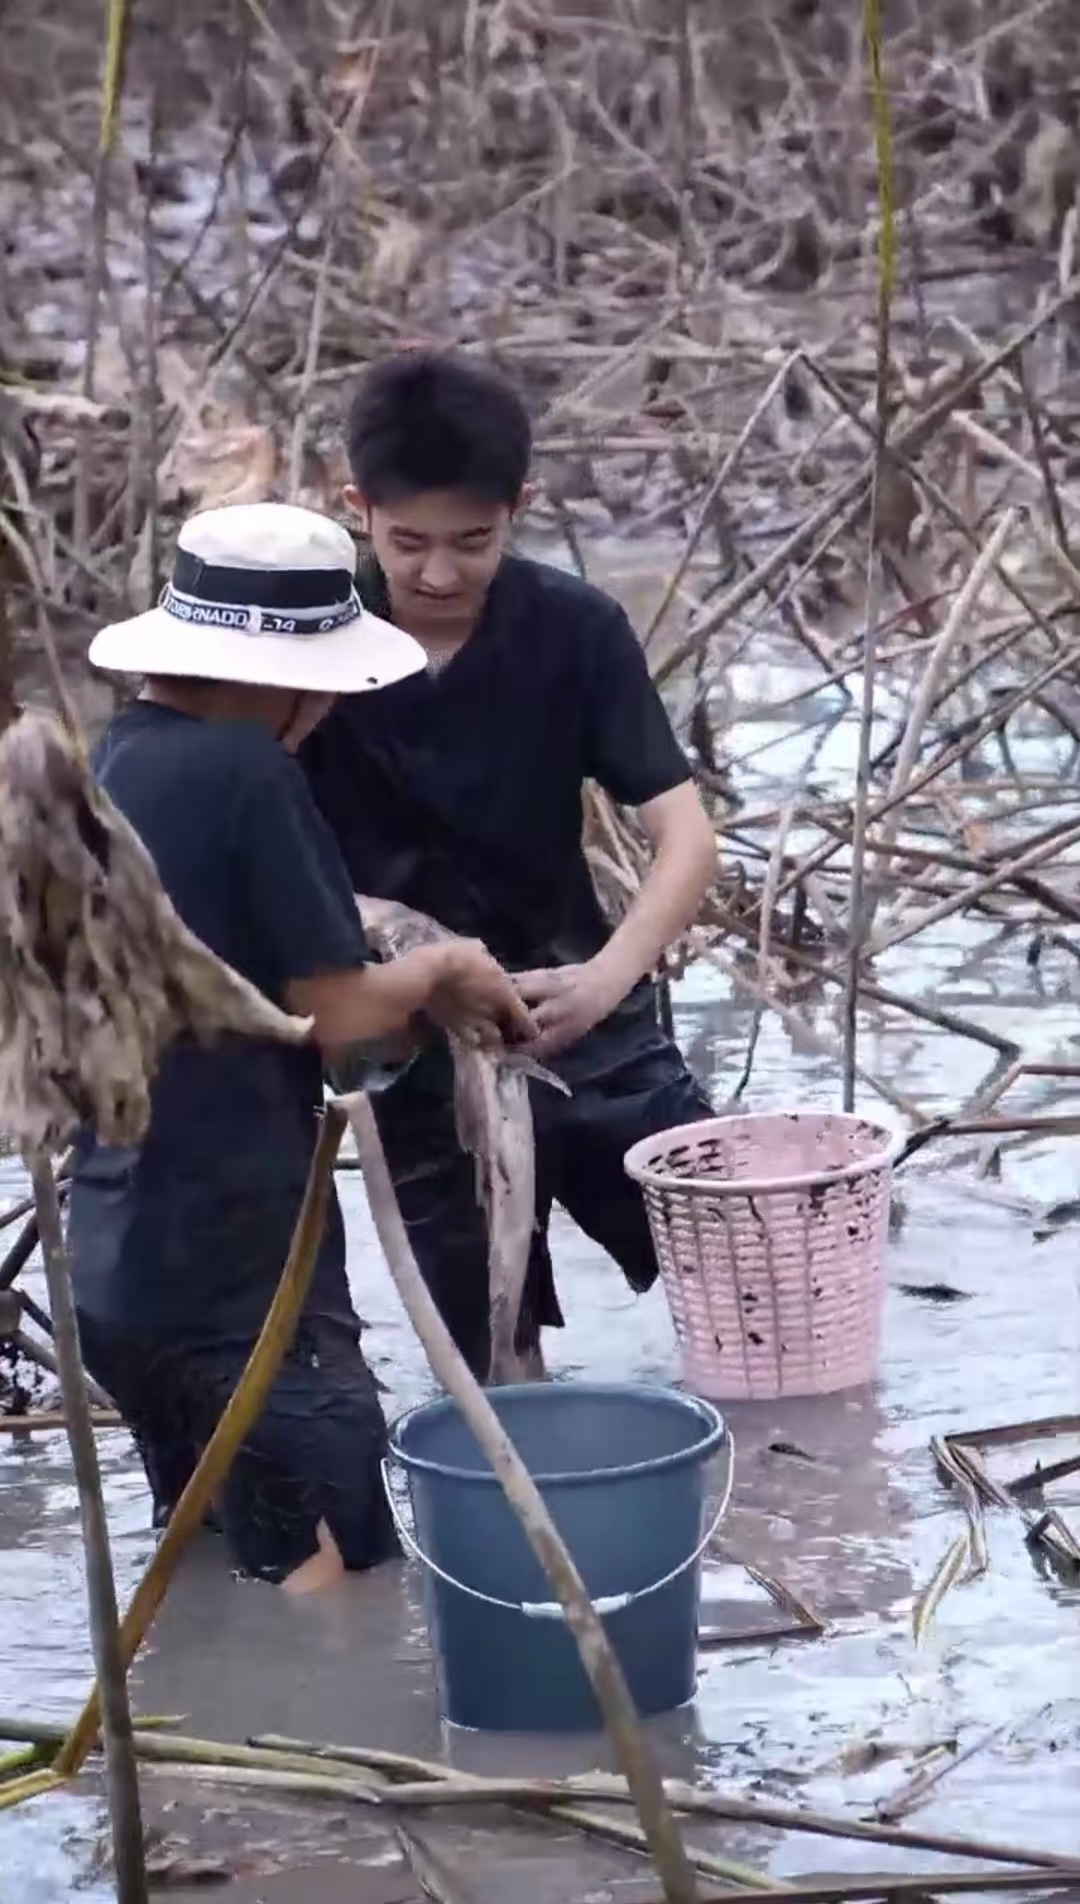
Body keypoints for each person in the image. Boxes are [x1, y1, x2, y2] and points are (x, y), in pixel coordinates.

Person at [70, 500, 534, 1593]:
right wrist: (445, 970)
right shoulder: (250, 774)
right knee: (336, 1591)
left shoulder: (111, 762)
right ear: (285, 682)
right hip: (242, 1280)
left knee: (213, 1567)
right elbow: (338, 1017)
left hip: (117, 1263)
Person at [300, 349, 718, 1381]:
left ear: (519, 507)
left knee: (740, 1255)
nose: (440, 574)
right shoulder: (309, 641)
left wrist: (607, 977)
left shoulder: (574, 629)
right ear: (356, 508)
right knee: (491, 1347)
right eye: (408, 542)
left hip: (575, 1001)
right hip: (408, 1032)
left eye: (473, 542)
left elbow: (687, 837)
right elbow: (252, 846)